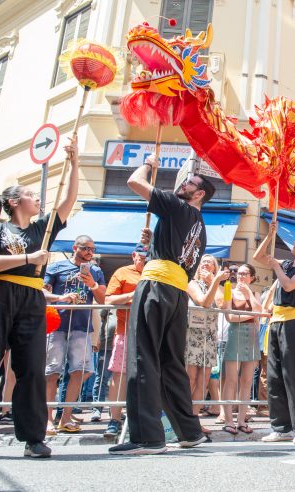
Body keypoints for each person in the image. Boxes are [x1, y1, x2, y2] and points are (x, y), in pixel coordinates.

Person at [0, 136, 79, 459]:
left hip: (31, 302)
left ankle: (34, 438)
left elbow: (68, 201)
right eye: (30, 195)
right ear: (13, 202)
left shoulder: (41, 230)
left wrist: (75, 162)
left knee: (32, 369)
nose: (37, 198)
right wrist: (29, 259)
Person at [108, 154, 215, 455]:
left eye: (189, 182)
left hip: (156, 286)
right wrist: (155, 239)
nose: (182, 183)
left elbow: (133, 182)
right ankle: (189, 432)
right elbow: (177, 254)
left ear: (200, 193)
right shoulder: (201, 228)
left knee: (143, 357)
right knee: (171, 365)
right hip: (177, 294)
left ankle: (147, 437)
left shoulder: (178, 206)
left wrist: (149, 163)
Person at [252, 220, 295, 445]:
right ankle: (281, 427)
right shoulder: (287, 263)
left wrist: (277, 267)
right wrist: (270, 236)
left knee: (293, 375)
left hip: (293, 322)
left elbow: (290, 285)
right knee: (274, 376)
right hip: (276, 321)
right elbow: (259, 258)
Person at [43, 235, 106, 435]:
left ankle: (66, 417)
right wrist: (60, 297)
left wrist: (92, 285)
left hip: (81, 326)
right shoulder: (56, 267)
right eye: (85, 248)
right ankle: (47, 419)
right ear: (74, 247)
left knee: (80, 371)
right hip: (57, 325)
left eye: (92, 249)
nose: (89, 252)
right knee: (52, 372)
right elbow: (42, 293)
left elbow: (104, 298)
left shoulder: (95, 271)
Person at [101, 244, 148, 438]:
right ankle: (114, 419)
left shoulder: (155, 273)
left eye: (147, 256)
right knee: (119, 376)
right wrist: (132, 295)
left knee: (145, 377)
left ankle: (140, 418)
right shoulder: (122, 272)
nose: (144, 260)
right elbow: (108, 300)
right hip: (125, 331)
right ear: (134, 255)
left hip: (148, 333)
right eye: (141, 256)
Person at [186, 254, 227, 430]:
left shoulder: (219, 285)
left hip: (210, 335)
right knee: (190, 378)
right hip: (192, 334)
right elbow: (203, 301)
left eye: (211, 263)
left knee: (204, 379)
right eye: (204, 262)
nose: (207, 264)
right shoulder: (191, 283)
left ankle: (194, 419)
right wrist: (214, 282)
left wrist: (214, 282)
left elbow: (222, 304)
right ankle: (184, 417)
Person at [220, 263, 262, 436]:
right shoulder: (229, 290)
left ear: (252, 277)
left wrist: (248, 295)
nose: (240, 276)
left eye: (245, 274)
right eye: (238, 273)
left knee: (246, 382)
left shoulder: (255, 293)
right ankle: (228, 419)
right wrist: (252, 316)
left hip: (251, 338)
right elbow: (229, 316)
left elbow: (260, 310)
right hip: (235, 336)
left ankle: (242, 420)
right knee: (230, 380)